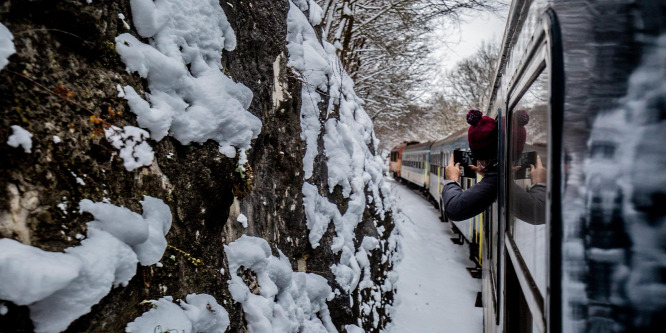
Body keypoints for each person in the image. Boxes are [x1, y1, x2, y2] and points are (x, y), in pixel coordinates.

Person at [441, 109, 547, 224]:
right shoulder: (500, 180)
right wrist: (539, 183)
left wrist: (452, 180)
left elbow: (454, 209)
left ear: (482, 160)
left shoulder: (496, 181)